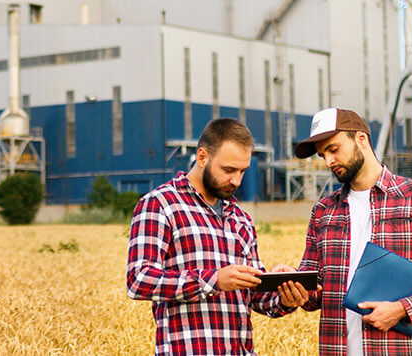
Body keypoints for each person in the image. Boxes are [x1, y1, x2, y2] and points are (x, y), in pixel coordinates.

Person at [292, 108, 412, 355]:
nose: (328, 162)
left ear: (361, 139)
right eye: (323, 155)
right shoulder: (323, 211)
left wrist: (403, 309)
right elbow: (314, 293)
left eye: (333, 149)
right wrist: (292, 284)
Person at [127, 118, 312, 355]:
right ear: (202, 157)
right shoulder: (160, 204)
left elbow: (254, 296)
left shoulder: (241, 219)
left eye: (242, 171)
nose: (236, 180)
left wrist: (283, 295)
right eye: (228, 170)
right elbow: (138, 280)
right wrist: (213, 280)